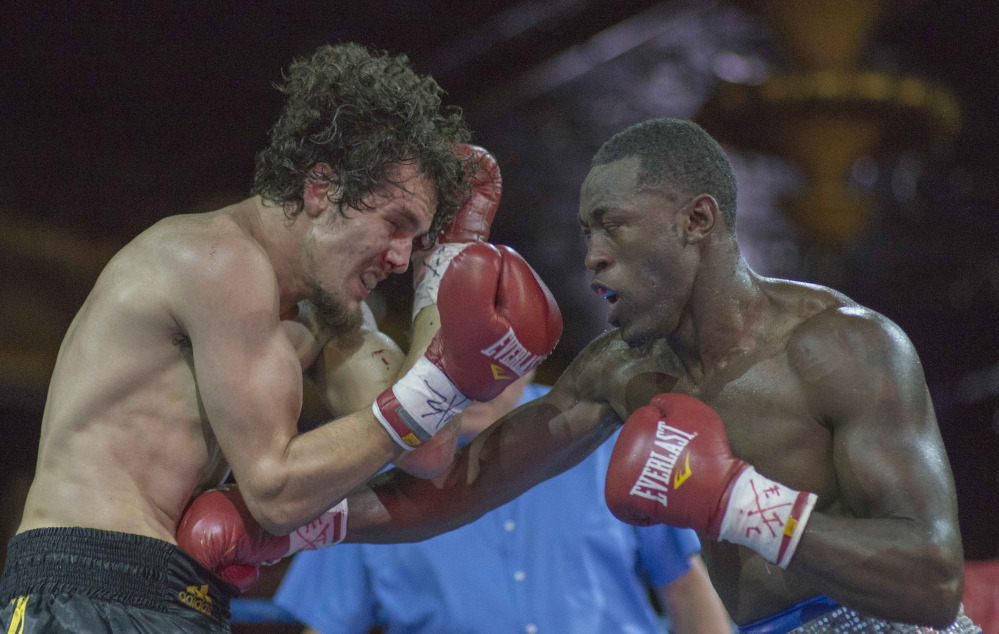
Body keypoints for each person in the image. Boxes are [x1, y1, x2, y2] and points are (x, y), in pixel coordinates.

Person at [179, 117, 980, 633]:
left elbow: (933, 581)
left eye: (613, 225)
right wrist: (286, 519)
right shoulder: (619, 374)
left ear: (696, 221)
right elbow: (455, 488)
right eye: (585, 230)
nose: (591, 254)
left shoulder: (842, 347)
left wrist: (739, 501)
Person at [0, 42, 561, 634]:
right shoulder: (216, 259)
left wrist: (446, 269)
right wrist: (428, 388)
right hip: (86, 586)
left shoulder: (329, 313)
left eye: (418, 239)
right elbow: (275, 491)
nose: (401, 258)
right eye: (395, 224)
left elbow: (427, 449)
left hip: (183, 599)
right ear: (322, 188)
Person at [273, 374, 733, 634]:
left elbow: (686, 590)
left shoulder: (606, 442)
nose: (470, 379)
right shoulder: (369, 474)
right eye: (455, 358)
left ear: (530, 359)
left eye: (493, 354)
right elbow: (326, 624)